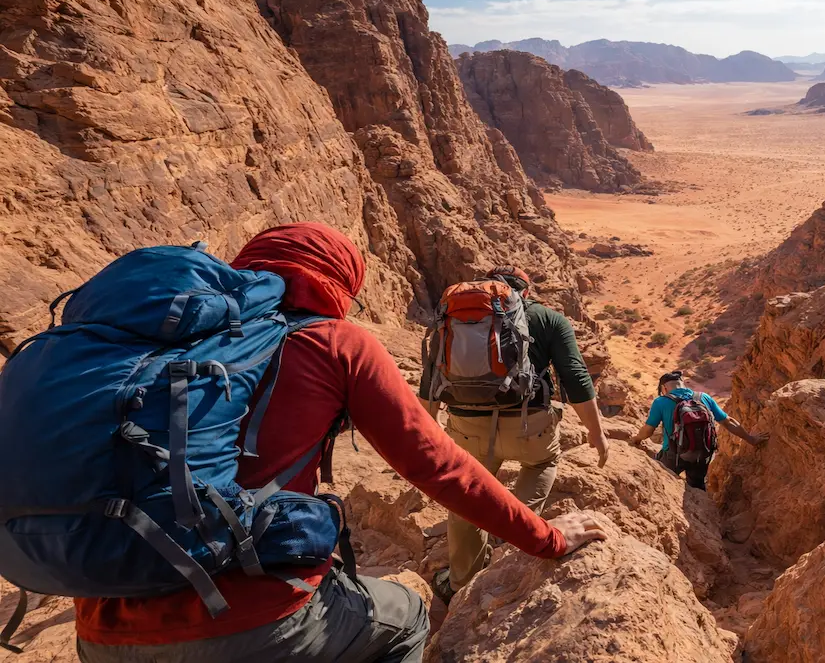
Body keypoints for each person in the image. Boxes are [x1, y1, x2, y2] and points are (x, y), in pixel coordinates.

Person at [72, 223, 605, 663]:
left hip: (101, 626)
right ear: (338, 283)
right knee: (408, 619)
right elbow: (436, 466)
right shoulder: (333, 343)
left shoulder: (144, 344)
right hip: (252, 618)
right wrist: (548, 540)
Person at [420, 267, 609, 602]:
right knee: (542, 464)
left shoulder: (456, 316)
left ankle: (461, 582)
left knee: (466, 494)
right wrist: (596, 433)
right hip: (528, 427)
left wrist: (428, 425)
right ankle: (512, 536)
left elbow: (431, 375)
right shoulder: (548, 318)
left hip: (467, 427)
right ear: (527, 290)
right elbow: (575, 376)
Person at [631, 370, 767, 490]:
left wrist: (636, 439)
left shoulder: (661, 402)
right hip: (702, 453)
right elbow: (728, 422)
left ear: (664, 388)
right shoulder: (703, 398)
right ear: (682, 383)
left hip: (673, 455)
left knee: (659, 478)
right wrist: (752, 439)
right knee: (697, 487)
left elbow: (648, 430)